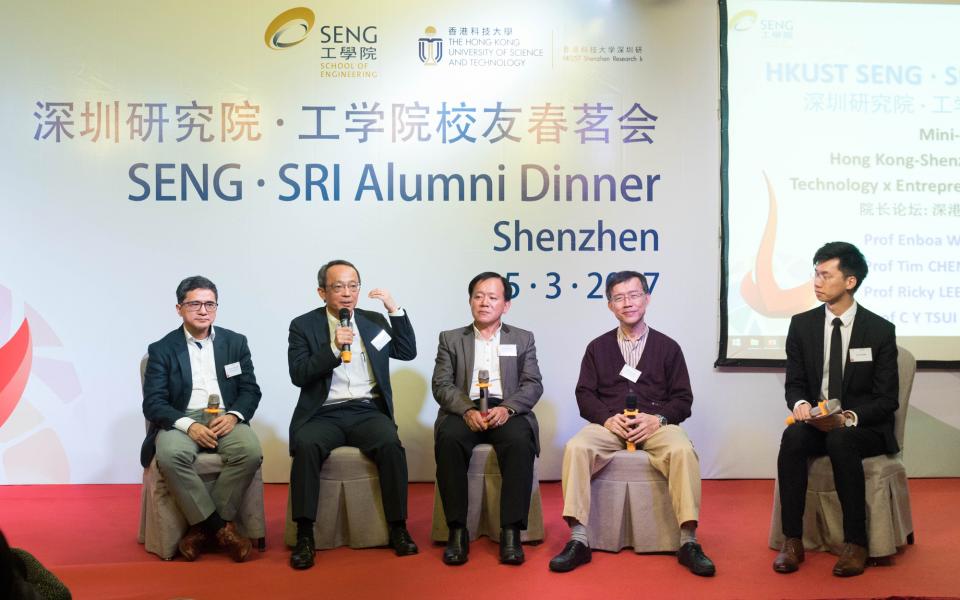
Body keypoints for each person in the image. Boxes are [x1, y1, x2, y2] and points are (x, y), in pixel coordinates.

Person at [548, 271, 716, 576]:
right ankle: (579, 539)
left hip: (656, 425)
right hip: (611, 425)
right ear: (610, 305)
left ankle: (688, 540)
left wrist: (658, 419)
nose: (628, 303)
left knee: (682, 451)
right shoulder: (597, 347)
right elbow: (584, 394)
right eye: (619, 297)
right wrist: (607, 420)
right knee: (576, 447)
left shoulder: (668, 347)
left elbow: (683, 399)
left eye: (634, 295)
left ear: (647, 299)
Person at [773, 241, 899, 577]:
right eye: (815, 273)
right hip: (819, 422)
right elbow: (795, 382)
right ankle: (792, 540)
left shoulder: (880, 331)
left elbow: (887, 400)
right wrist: (800, 405)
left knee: (842, 440)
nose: (817, 281)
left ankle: (855, 542)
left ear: (850, 282)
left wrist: (848, 418)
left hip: (864, 427)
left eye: (826, 275)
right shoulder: (802, 325)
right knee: (793, 437)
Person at [287, 259, 418, 570]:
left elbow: (407, 350)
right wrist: (333, 349)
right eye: (338, 287)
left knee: (390, 444)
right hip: (324, 412)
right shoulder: (303, 325)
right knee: (306, 446)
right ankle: (305, 535)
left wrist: (394, 310)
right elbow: (299, 373)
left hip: (366, 409)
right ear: (322, 292)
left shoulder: (373, 321)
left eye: (353, 286)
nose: (347, 293)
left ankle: (398, 527)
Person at [141, 276, 263, 562]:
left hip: (224, 415)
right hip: (180, 418)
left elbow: (250, 391)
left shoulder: (236, 342)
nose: (203, 310)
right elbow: (154, 403)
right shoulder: (162, 348)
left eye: (209, 304)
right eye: (194, 303)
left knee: (250, 452)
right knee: (170, 456)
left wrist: (234, 415)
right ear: (179, 308)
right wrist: (189, 425)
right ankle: (221, 529)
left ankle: (201, 529)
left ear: (216, 308)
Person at [432, 272, 543, 566]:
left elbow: (532, 384)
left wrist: (507, 408)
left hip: (505, 407)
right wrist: (467, 410)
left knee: (520, 442)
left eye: (493, 297)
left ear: (505, 305)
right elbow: (441, 384)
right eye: (478, 296)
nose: (484, 303)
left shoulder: (522, 338)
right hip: (464, 408)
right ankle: (457, 531)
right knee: (449, 439)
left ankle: (510, 532)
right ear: (470, 301)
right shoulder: (451, 339)